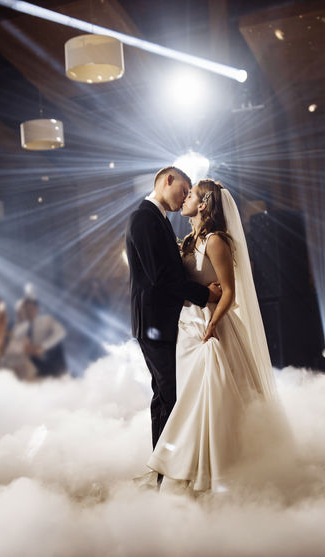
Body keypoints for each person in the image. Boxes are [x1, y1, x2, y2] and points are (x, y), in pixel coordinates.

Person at [147, 180, 280, 493]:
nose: (185, 198)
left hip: (209, 325)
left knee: (210, 396)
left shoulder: (217, 240)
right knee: (186, 397)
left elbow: (230, 292)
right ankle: (188, 466)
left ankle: (216, 470)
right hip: (185, 325)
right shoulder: (190, 240)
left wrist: (213, 325)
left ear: (204, 204)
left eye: (191, 195)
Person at [125, 166, 222, 456]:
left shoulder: (158, 219)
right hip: (154, 323)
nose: (184, 198)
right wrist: (206, 294)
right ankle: (168, 470)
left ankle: (164, 465)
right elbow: (162, 277)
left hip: (161, 321)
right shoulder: (144, 218)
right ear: (168, 180)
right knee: (170, 395)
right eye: (184, 190)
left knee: (166, 396)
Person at [8, 295, 66, 378]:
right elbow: (13, 347)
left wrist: (42, 347)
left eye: (30, 308)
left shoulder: (47, 320)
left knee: (57, 344)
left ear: (37, 309)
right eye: (24, 309)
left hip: (51, 359)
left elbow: (61, 332)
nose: (28, 311)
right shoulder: (19, 329)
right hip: (33, 365)